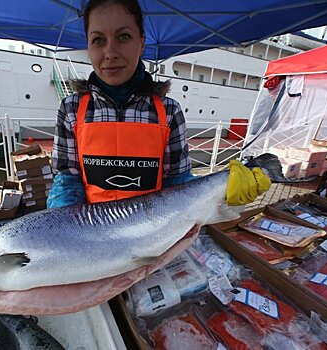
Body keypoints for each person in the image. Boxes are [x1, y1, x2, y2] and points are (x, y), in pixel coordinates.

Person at [47, 0, 269, 208]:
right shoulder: (72, 108)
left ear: (141, 42)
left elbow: (178, 182)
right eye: (98, 40)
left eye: (123, 36)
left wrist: (223, 189)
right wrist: (65, 229)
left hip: (155, 233)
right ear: (88, 45)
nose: (110, 53)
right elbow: (67, 180)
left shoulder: (169, 111)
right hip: (94, 234)